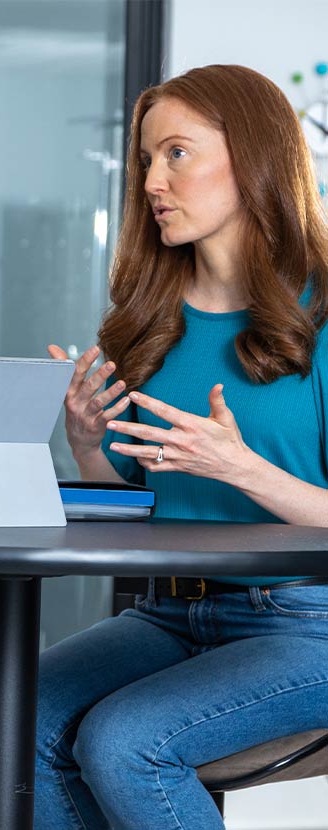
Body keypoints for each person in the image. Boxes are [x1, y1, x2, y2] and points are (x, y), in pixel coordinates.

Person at [36, 64, 328, 830]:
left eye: (177, 153)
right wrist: (88, 447)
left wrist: (246, 471)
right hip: (171, 611)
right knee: (21, 714)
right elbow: (132, 511)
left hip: (310, 620)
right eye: (145, 160)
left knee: (127, 741)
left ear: (255, 156)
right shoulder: (148, 323)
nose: (152, 181)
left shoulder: (324, 315)